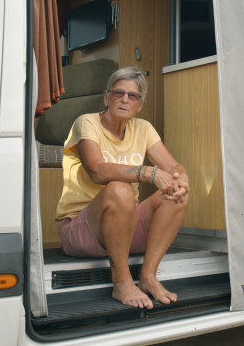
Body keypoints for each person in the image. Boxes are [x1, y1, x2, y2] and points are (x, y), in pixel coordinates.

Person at [55, 66, 189, 310]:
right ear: (106, 97)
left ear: (139, 104)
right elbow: (97, 171)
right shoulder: (87, 123)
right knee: (120, 188)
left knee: (175, 196)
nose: (125, 99)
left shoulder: (143, 128)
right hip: (81, 230)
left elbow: (172, 165)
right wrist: (147, 172)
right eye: (118, 93)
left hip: (123, 231)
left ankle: (148, 276)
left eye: (132, 96)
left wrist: (182, 180)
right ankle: (122, 282)